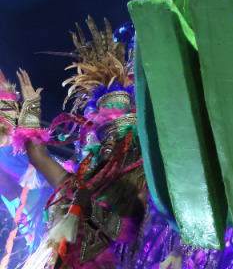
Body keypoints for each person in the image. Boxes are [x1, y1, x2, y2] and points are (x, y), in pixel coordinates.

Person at [18, 18, 146, 269]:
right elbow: (38, 156)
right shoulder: (72, 185)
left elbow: (130, 223)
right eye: (106, 137)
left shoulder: (136, 190)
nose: (109, 143)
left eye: (118, 139)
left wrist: (88, 207)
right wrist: (30, 108)